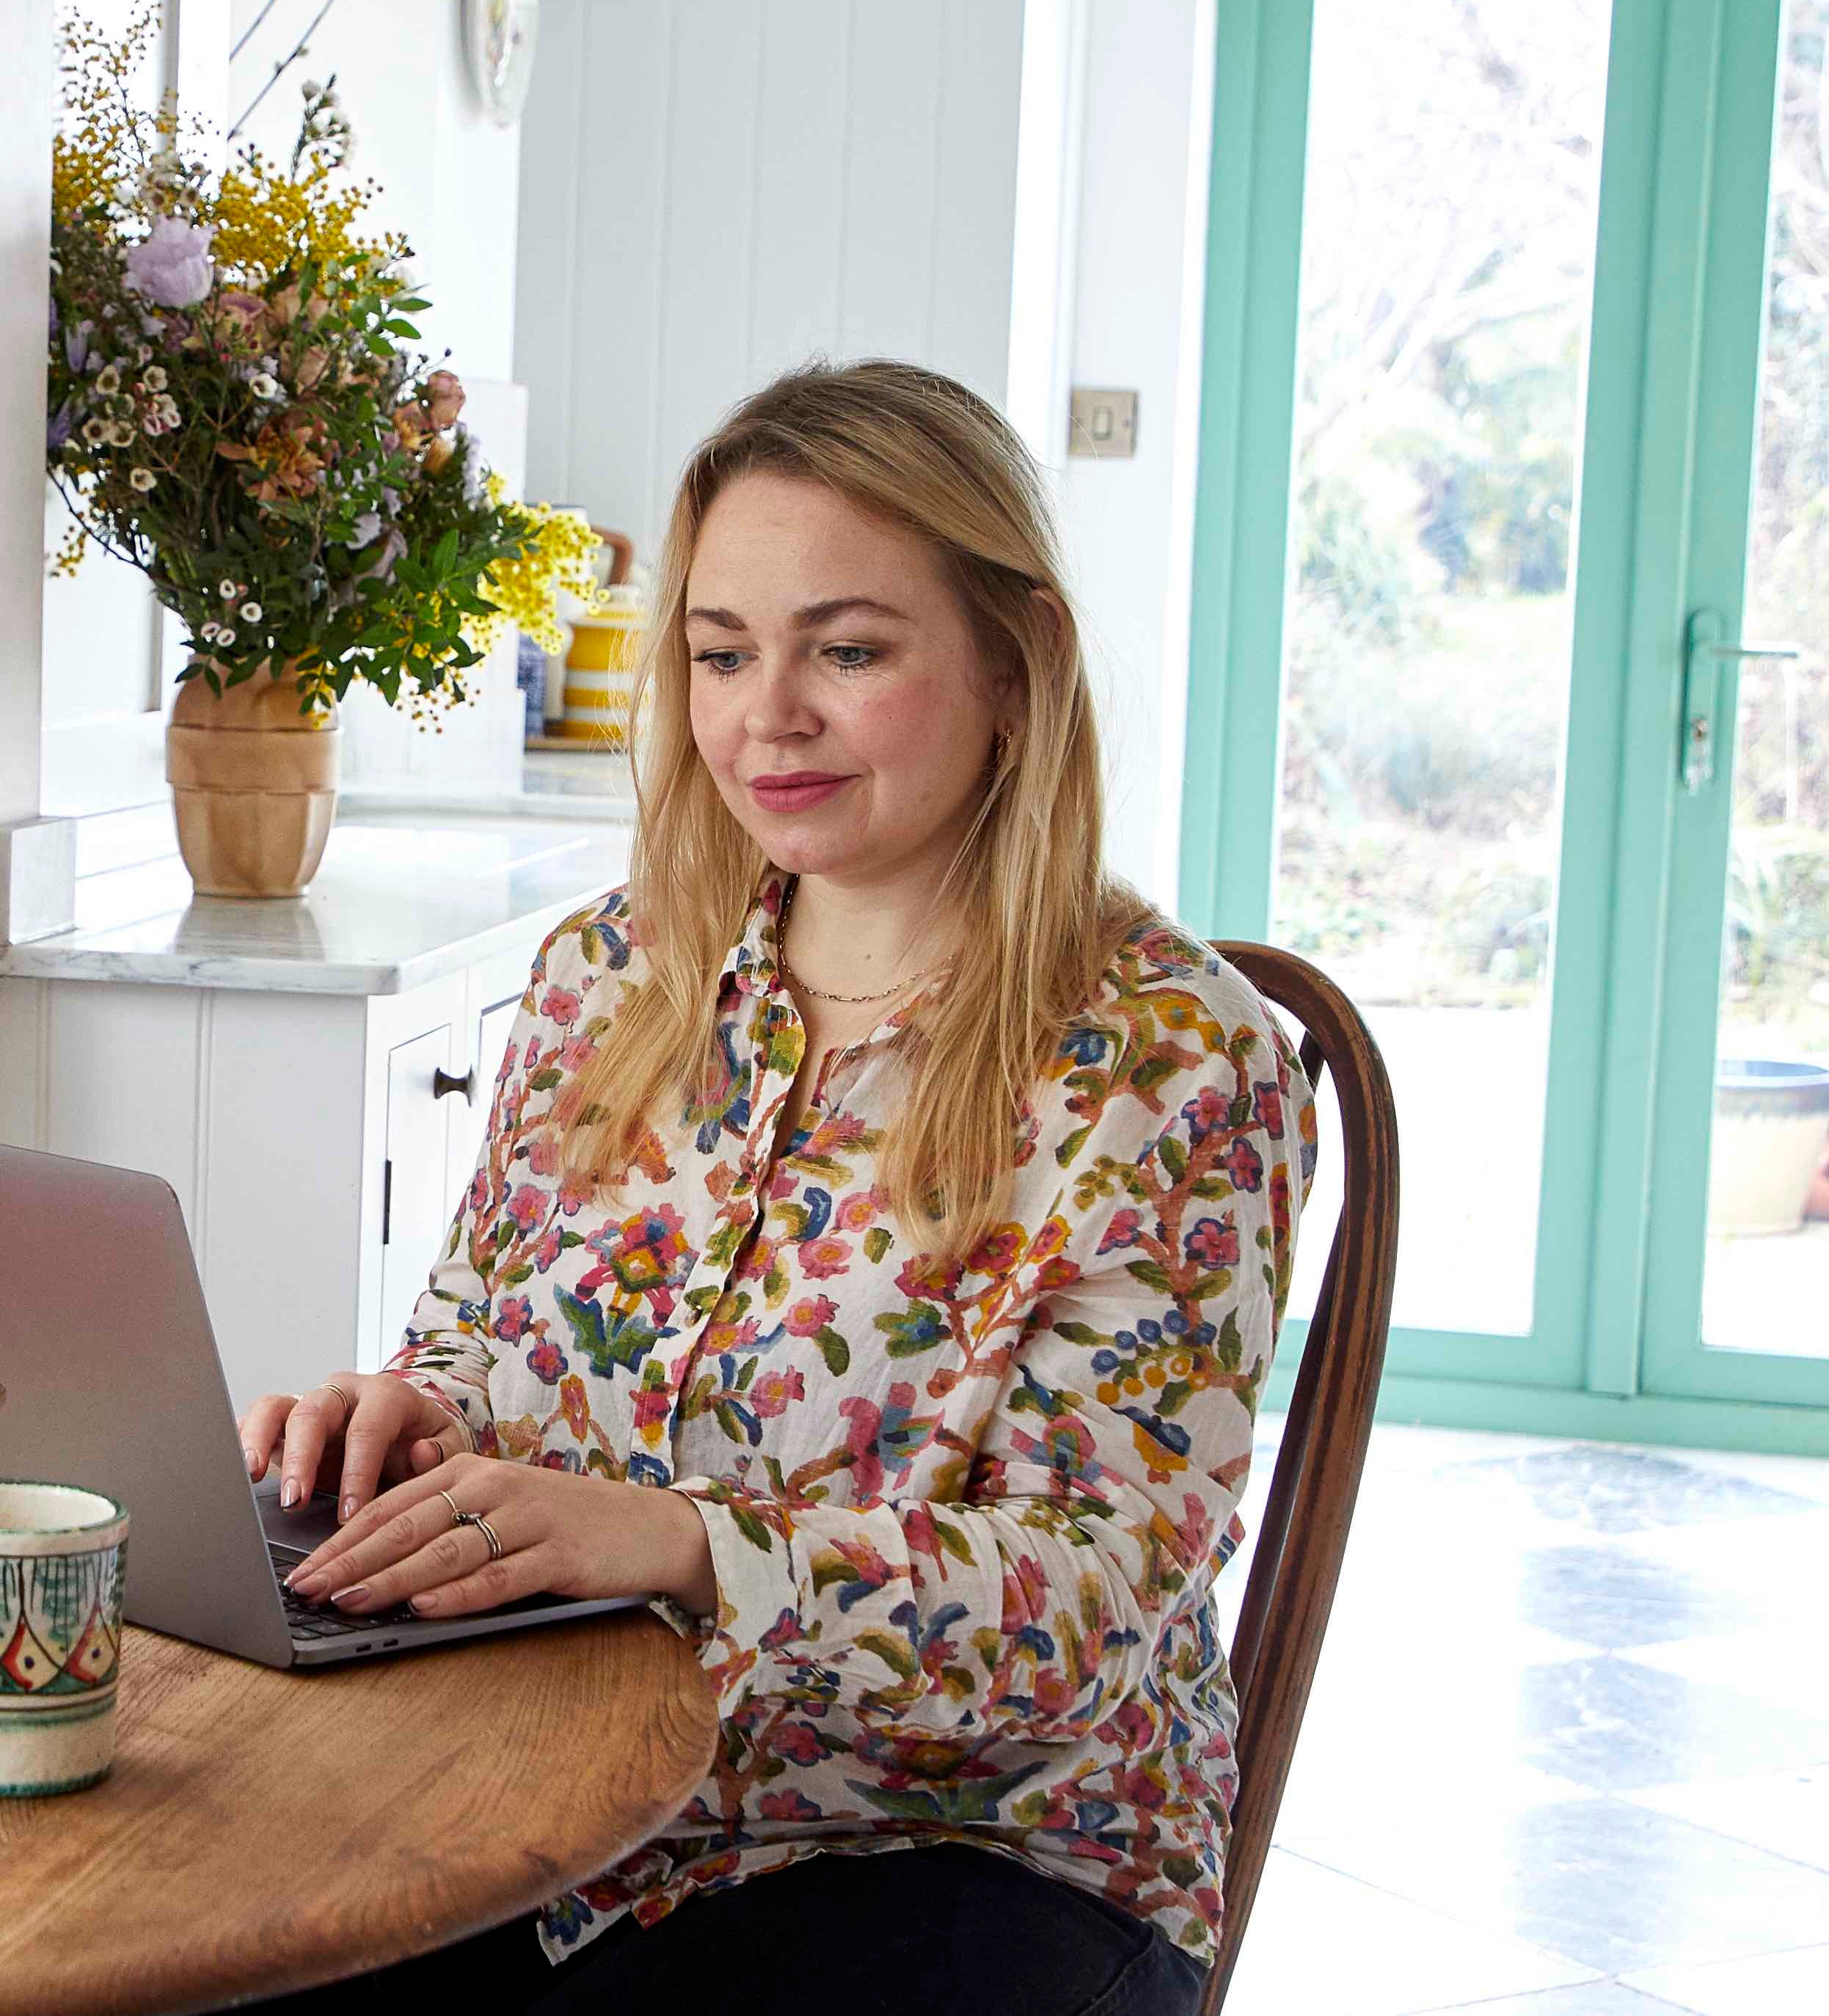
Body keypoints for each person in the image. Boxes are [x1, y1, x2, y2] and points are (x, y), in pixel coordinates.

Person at [238, 357, 1318, 2015]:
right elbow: (480, 1332)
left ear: (1016, 661)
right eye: (721, 651)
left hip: (958, 1853)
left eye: (848, 650)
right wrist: (413, 1414)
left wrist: (684, 1544)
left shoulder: (1171, 1062)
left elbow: (1087, 1610)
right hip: (543, 1789)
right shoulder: (609, 973)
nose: (766, 716)